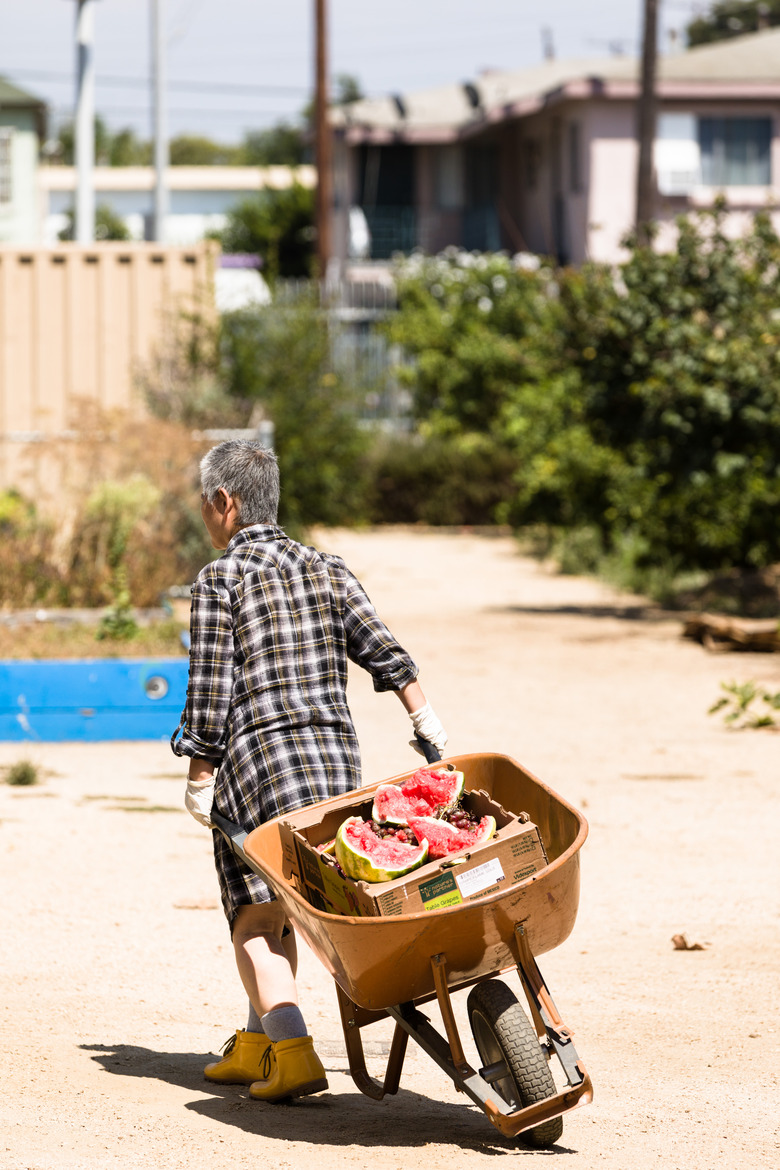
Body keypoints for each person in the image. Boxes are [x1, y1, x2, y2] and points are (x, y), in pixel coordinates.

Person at [171, 439, 447, 1104]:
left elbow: (211, 688)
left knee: (253, 919)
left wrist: (199, 775)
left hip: (255, 768)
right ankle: (256, 1043)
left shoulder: (219, 579)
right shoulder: (327, 568)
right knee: (290, 902)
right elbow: (381, 647)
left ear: (223, 504)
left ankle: (292, 1051)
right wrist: (424, 719)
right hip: (333, 767)